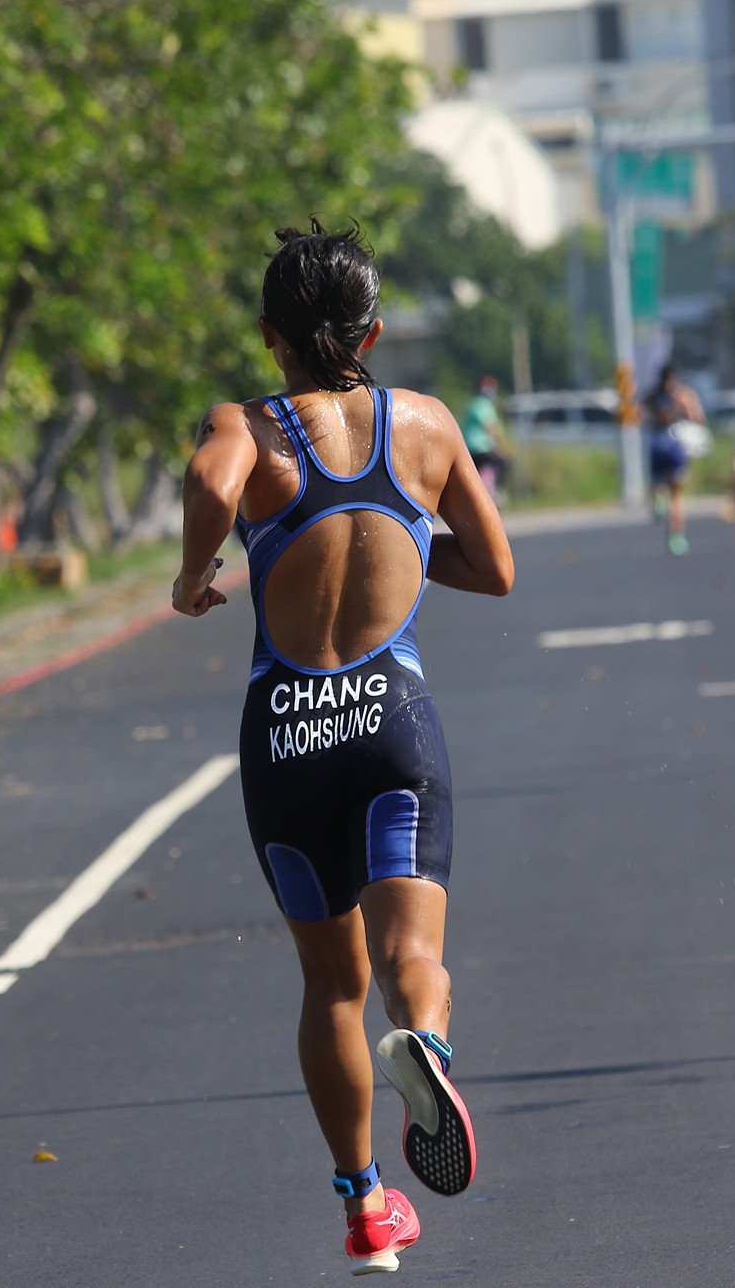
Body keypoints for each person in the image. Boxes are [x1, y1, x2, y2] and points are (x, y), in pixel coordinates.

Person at [173, 220, 514, 1276]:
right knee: (414, 955)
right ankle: (429, 1043)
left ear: (270, 334)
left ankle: (366, 1204)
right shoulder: (424, 426)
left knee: (329, 985)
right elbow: (495, 568)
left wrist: (194, 578)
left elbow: (207, 480)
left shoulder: (250, 423)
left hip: (286, 732)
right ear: (371, 330)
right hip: (391, 723)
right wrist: (405, 545)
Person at [642, 361, 706, 555]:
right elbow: (698, 417)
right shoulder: (683, 395)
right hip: (675, 445)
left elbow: (640, 416)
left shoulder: (651, 396)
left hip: (656, 445)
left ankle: (659, 497)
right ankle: (676, 536)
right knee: (677, 496)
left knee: (656, 482)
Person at [459, 376, 510, 497]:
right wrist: (501, 446)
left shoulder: (474, 404)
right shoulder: (482, 405)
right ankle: (490, 492)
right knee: (500, 463)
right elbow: (491, 428)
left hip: (470, 447)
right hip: (480, 447)